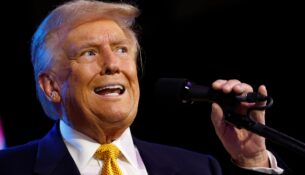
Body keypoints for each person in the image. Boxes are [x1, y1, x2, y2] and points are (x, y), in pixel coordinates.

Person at [0, 0, 286, 174]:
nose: (113, 64)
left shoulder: (197, 168)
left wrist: (252, 159)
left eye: (122, 50)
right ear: (51, 86)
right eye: (90, 52)